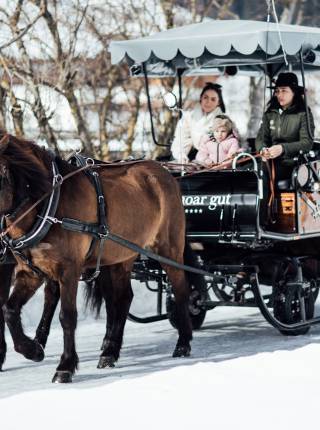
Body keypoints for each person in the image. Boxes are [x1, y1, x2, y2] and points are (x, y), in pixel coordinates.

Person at [255, 72, 314, 181]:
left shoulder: (304, 114)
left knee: (260, 174)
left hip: (292, 164)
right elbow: (261, 138)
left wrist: (282, 148)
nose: (279, 95)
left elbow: (307, 143)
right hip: (269, 162)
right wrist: (263, 149)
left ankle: (265, 199)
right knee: (244, 172)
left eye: (284, 91)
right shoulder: (270, 113)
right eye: (277, 91)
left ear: (294, 92)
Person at [171, 82, 225, 163]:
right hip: (191, 157)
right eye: (205, 97)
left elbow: (227, 143)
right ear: (201, 98)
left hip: (214, 159)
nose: (208, 102)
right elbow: (181, 138)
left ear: (218, 103)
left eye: (213, 99)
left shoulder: (223, 120)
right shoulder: (189, 116)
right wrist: (181, 154)